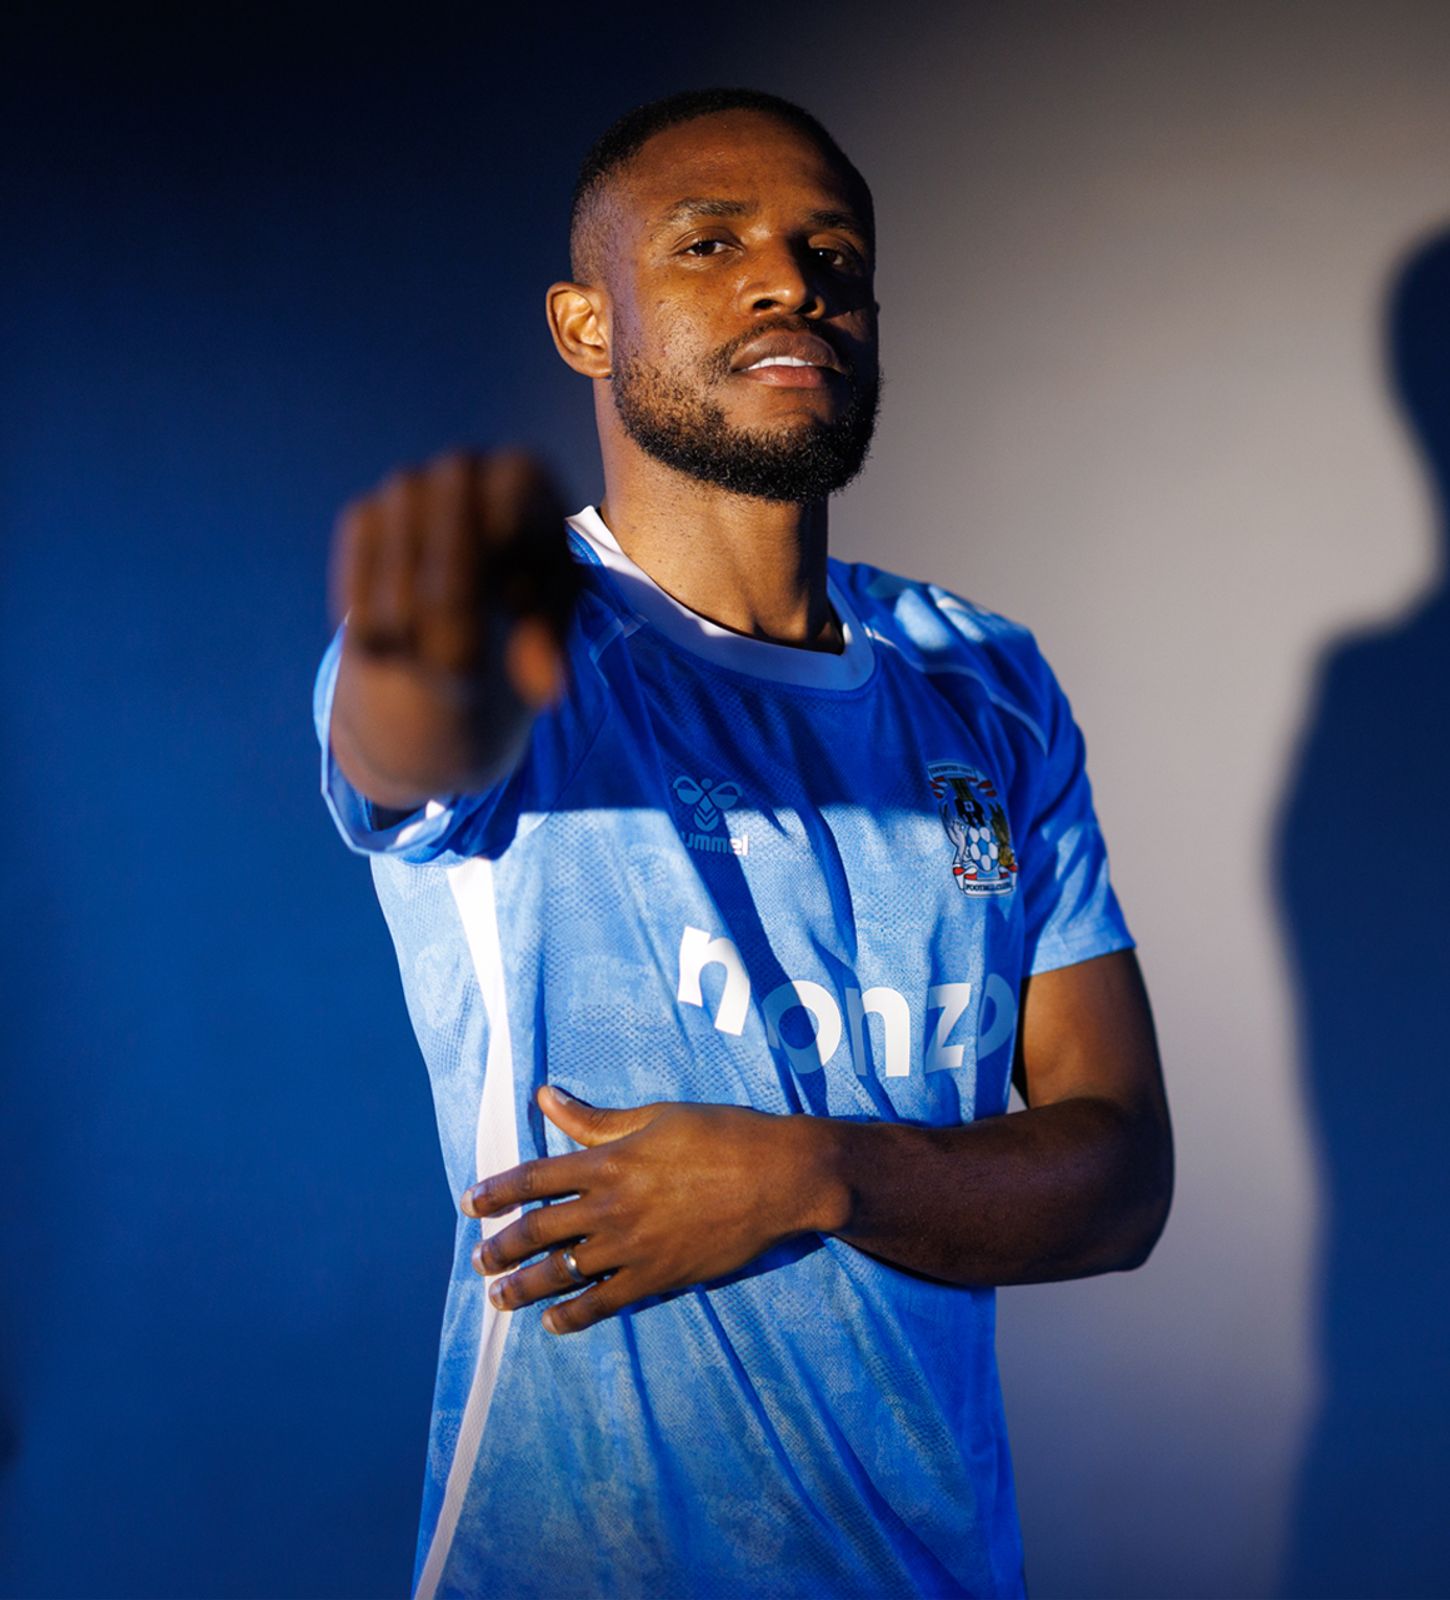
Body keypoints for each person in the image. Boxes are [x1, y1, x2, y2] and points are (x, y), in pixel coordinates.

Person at [314, 86, 1174, 1600]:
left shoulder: (983, 678)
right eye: (710, 243)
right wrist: (416, 653)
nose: (789, 280)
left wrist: (813, 1173)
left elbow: (1118, 1180)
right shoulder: (528, 635)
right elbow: (409, 738)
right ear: (587, 325)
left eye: (830, 251)